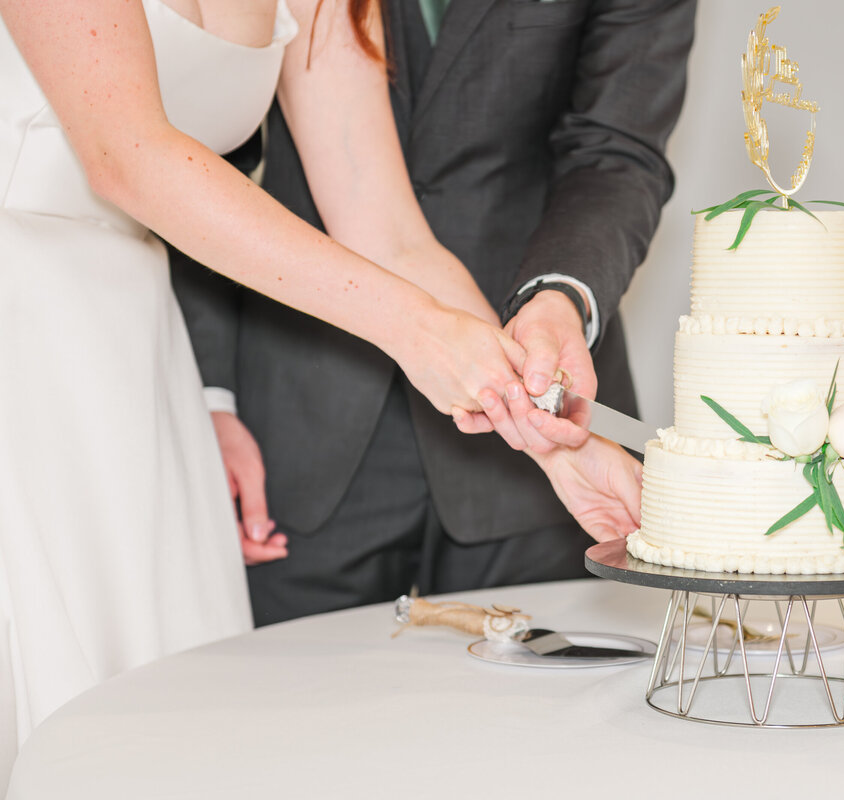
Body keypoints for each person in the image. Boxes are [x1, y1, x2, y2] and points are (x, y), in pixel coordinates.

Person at [0, 0, 639, 783]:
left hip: (131, 346)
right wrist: (414, 330)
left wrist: (558, 443)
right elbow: (128, 155)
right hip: (23, 337)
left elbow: (388, 230)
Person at [173, 0, 697, 625]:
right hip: (296, 401)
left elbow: (388, 228)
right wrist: (205, 395)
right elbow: (168, 157)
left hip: (509, 431)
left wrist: (554, 437)